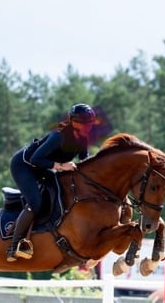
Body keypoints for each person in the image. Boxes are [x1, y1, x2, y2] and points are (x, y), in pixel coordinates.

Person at [6, 103, 98, 261]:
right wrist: (62, 166)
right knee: (36, 203)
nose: (87, 127)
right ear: (72, 122)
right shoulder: (58, 136)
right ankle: (15, 246)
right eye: (83, 122)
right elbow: (36, 159)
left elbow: (84, 160)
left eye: (89, 123)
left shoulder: (83, 138)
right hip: (24, 166)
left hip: (45, 166)